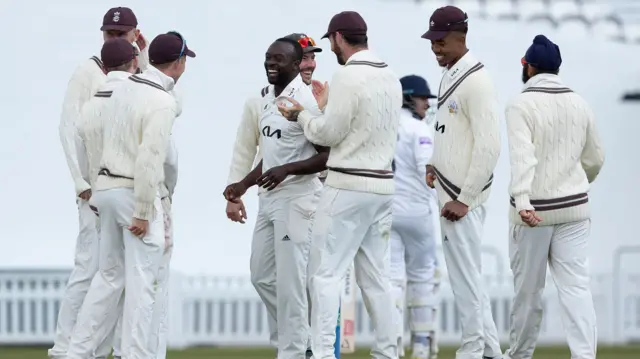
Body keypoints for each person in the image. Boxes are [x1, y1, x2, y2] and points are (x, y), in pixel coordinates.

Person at [277, 11, 402, 359]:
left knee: (324, 275)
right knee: (377, 279)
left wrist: (302, 115)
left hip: (347, 185)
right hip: (383, 187)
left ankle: (321, 353)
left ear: (337, 38)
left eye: (330, 41)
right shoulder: (390, 76)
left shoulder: (347, 75)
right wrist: (327, 106)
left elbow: (329, 133)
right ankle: (387, 353)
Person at [65, 31, 195, 359]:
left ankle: (76, 352)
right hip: (136, 193)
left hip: (104, 191)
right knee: (143, 282)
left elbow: (85, 137)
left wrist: (94, 188)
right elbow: (156, 156)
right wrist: (144, 208)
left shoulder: (116, 92)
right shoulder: (161, 101)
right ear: (179, 63)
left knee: (108, 277)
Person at [50, 7, 148, 359]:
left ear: (135, 34)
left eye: (122, 34)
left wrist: (146, 58)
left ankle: (109, 348)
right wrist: (80, 182)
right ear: (102, 34)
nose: (115, 39)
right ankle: (64, 347)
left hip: (124, 190)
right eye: (110, 34)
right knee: (89, 267)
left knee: (119, 273)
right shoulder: (87, 71)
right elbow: (68, 128)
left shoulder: (137, 70)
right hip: (94, 189)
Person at [223, 37, 328, 359]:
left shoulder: (306, 102)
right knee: (262, 277)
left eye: (278, 59)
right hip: (268, 200)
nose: (271, 64)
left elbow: (327, 155)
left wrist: (288, 170)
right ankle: (301, 340)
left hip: (297, 200)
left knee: (292, 284)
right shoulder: (268, 99)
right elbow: (270, 155)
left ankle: (296, 351)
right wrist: (241, 184)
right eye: (268, 58)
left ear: (296, 65)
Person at [503, 35, 604, 359]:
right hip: (575, 209)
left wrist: (522, 202)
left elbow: (523, 157)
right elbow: (595, 158)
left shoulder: (520, 103)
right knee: (576, 287)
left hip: (533, 211)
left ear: (529, 66)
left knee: (528, 292)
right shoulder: (580, 102)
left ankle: (519, 355)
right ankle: (585, 356)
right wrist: (576, 185)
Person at [422, 6, 502, 359]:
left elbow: (490, 145)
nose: (435, 48)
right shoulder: (452, 73)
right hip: (448, 190)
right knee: (468, 276)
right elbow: (448, 130)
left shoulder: (477, 80)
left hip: (461, 198)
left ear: (461, 36)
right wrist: (433, 164)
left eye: (441, 41)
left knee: (465, 279)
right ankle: (492, 351)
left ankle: (471, 351)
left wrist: (465, 197)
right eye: (433, 41)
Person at [226, 32, 323, 224]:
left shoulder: (322, 97)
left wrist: (322, 108)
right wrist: (234, 193)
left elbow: (330, 150)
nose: (310, 64)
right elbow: (244, 149)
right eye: (305, 58)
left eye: (313, 58)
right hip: (271, 193)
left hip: (314, 195)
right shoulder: (259, 101)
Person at [389, 75, 440, 359]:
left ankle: (393, 345)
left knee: (392, 280)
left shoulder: (383, 126)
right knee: (422, 276)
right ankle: (422, 346)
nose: (425, 104)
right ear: (409, 98)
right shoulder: (419, 128)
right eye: (422, 99)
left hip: (387, 210)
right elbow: (428, 169)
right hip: (417, 211)